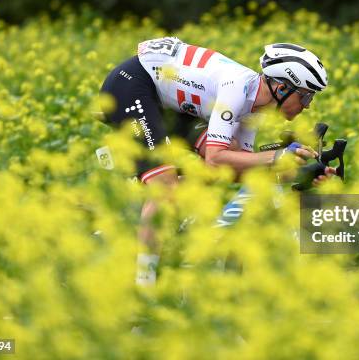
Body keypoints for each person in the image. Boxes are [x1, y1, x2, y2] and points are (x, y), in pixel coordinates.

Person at [98, 37, 335, 284]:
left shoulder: (255, 109)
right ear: (282, 88)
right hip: (133, 86)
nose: (307, 107)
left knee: (225, 160)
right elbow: (215, 158)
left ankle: (163, 226)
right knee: (165, 185)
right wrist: (277, 156)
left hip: (168, 101)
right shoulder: (237, 88)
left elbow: (240, 168)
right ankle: (144, 286)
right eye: (306, 97)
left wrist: (298, 172)